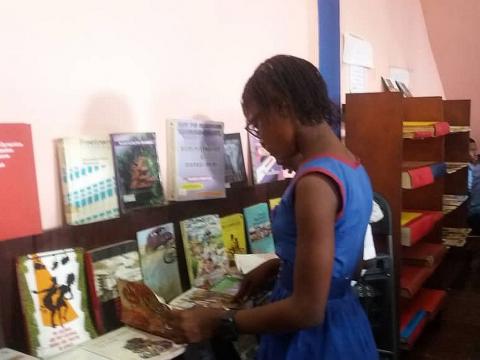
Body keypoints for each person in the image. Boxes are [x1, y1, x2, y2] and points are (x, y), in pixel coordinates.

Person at [162, 55, 378, 359]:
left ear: (282, 106)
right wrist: (282, 265)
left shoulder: (315, 183)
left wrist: (219, 321)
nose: (260, 139)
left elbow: (307, 310)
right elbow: (350, 265)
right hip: (346, 325)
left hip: (312, 343)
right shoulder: (352, 167)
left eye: (256, 123)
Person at [468, 138, 480, 234]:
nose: (475, 153)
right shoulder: (465, 168)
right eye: (471, 150)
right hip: (473, 212)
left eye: (475, 149)